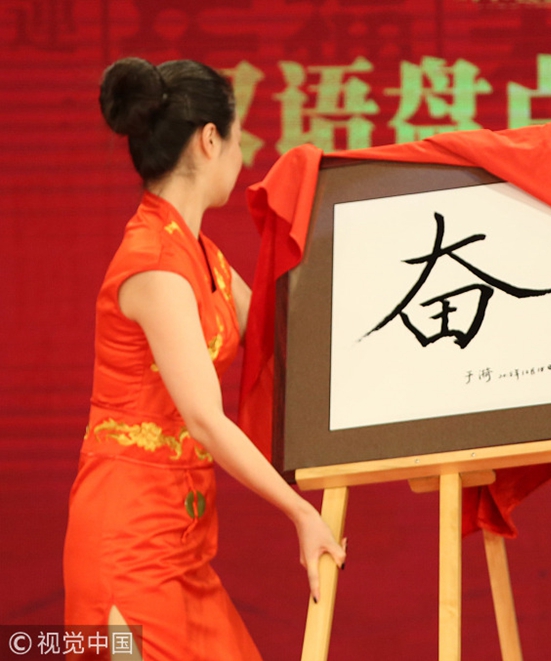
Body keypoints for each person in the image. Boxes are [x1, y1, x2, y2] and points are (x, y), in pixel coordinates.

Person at [63, 57, 345, 660]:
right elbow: (205, 420)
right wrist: (300, 512)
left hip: (182, 546)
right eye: (239, 137)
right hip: (128, 547)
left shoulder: (200, 254)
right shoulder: (154, 265)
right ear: (210, 139)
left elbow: (283, 332)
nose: (243, 153)